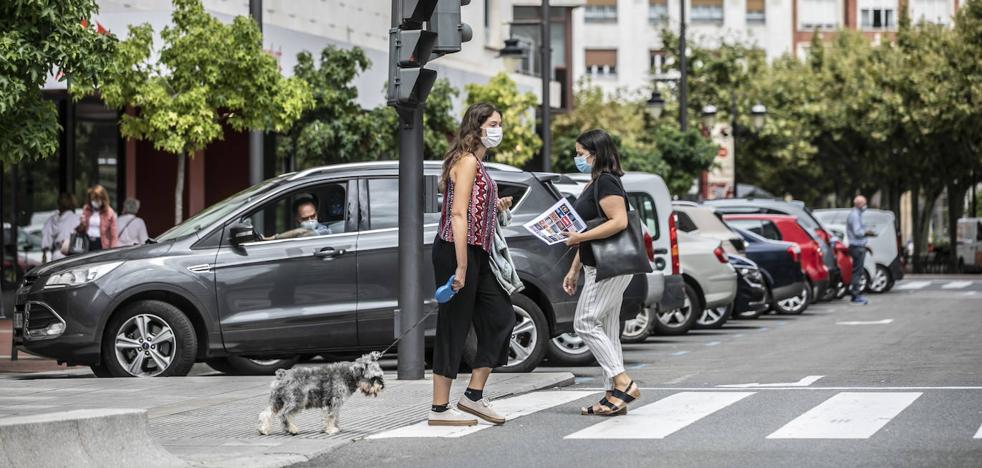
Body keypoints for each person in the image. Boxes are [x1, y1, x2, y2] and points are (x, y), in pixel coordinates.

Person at [429, 102, 516, 427]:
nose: (498, 129)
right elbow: (458, 215)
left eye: (500, 123)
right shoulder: (466, 161)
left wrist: (495, 204)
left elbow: (473, 207)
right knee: (454, 323)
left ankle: (473, 396)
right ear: (477, 127)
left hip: (476, 251)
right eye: (493, 123)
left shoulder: (477, 162)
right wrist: (461, 268)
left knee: (502, 317)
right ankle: (439, 409)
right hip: (456, 250)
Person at [562, 129, 641, 416]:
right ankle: (613, 397)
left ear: (597, 154)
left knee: (584, 323)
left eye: (581, 154)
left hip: (610, 267)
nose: (577, 158)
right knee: (607, 329)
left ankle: (623, 382)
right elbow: (588, 230)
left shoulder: (606, 181)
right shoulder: (594, 183)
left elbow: (618, 222)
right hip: (598, 264)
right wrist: (574, 269)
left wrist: (579, 240)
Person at [846, 194, 877, 305]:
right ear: (859, 204)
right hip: (857, 247)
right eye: (864, 203)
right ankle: (855, 295)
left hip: (858, 246)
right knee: (857, 272)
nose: (865, 206)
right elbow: (857, 232)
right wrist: (867, 232)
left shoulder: (856, 214)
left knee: (857, 271)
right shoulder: (855, 215)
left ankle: (856, 294)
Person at [76, 185, 118, 251]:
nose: (95, 201)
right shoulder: (86, 209)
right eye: (93, 199)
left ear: (103, 199)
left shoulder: (109, 212)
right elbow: (80, 230)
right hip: (87, 242)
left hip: (101, 243)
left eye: (97, 199)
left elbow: (114, 234)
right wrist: (82, 223)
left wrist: (113, 250)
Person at [41, 193, 81, 262]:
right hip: (72, 256)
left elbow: (46, 242)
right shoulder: (77, 218)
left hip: (56, 255)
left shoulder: (51, 220)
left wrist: (44, 256)